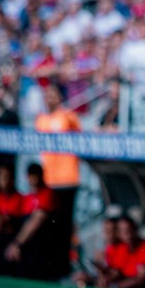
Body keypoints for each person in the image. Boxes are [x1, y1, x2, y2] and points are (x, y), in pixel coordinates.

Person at [4, 163, 70, 281]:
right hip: (26, 245)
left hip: (43, 246)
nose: (34, 179)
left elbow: (36, 222)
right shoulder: (26, 198)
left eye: (37, 175)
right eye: (32, 176)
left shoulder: (48, 194)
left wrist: (17, 243)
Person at [34, 83, 82, 233]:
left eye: (53, 94)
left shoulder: (68, 117)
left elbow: (81, 140)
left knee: (65, 222)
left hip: (67, 178)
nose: (49, 98)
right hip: (48, 179)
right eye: (47, 95)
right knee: (48, 224)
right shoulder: (40, 119)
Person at [72, 210, 126, 288]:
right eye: (106, 230)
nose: (109, 233)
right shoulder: (98, 242)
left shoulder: (122, 247)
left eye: (112, 230)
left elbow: (115, 273)